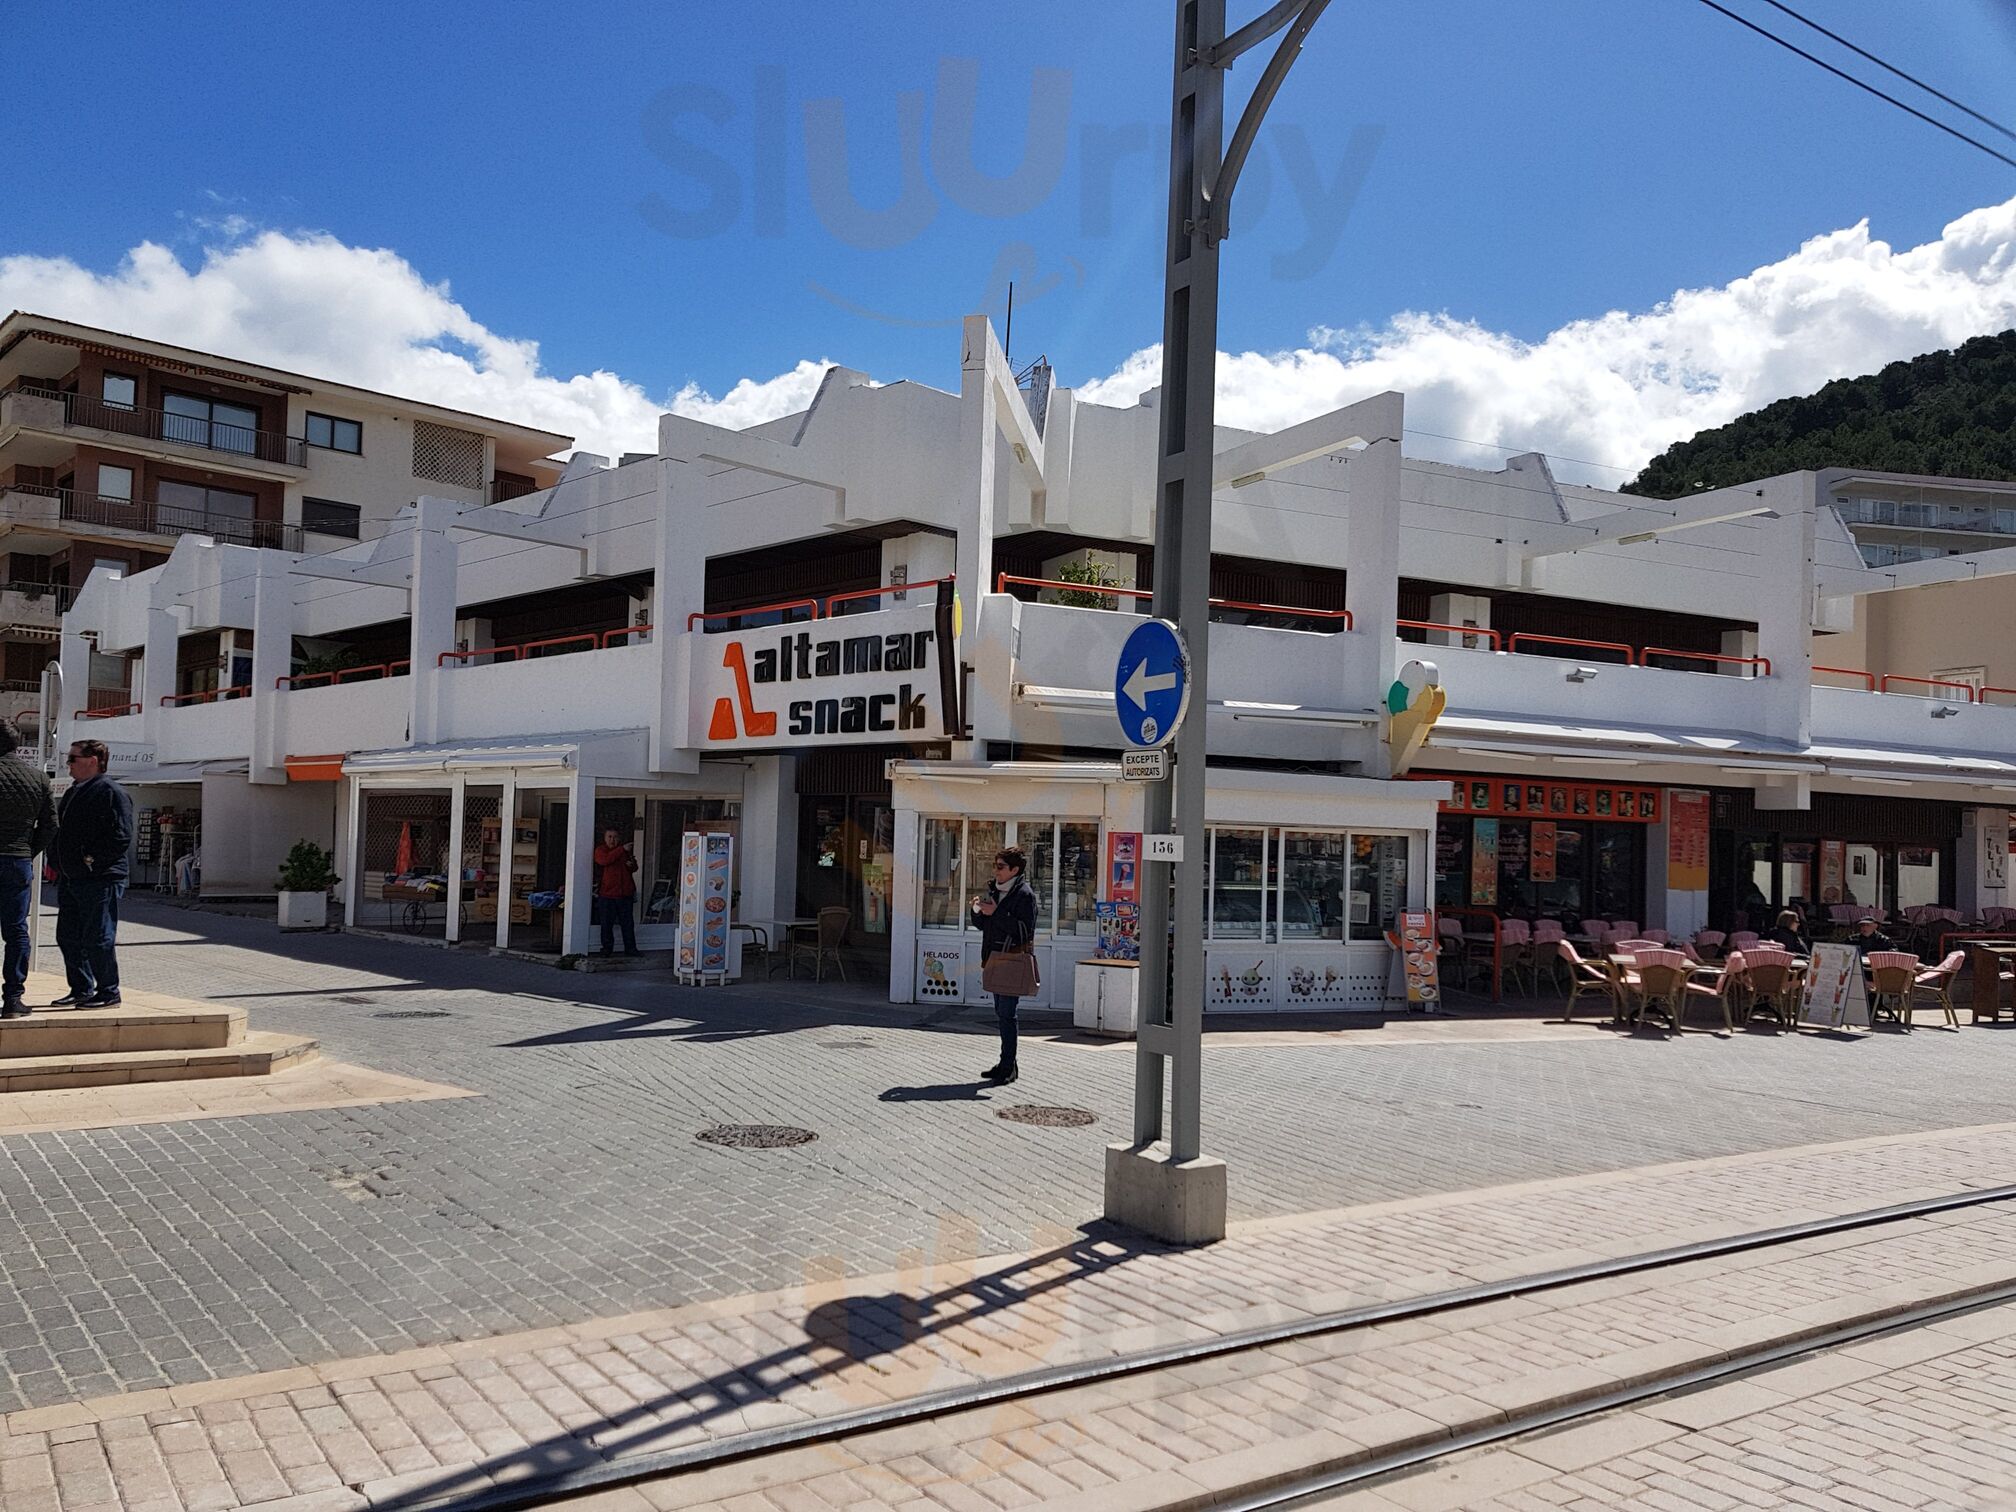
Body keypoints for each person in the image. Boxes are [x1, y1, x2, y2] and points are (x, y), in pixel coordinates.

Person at [53, 738, 132, 1008]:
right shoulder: (74, 791)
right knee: (68, 936)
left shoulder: (111, 792)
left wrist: (91, 861)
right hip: (71, 877)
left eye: (73, 759)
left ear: (92, 761)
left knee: (98, 937)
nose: (69, 764)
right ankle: (81, 989)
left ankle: (108, 992)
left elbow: (121, 836)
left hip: (99, 878)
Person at [0, 720, 54, 1018]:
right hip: (18, 861)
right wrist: (27, 851)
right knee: (16, 930)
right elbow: (51, 825)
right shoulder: (38, 778)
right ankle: (13, 999)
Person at [971, 846, 1037, 1085]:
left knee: (1007, 1014)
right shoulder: (994, 890)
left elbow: (1024, 931)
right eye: (995, 866)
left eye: (1001, 866)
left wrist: (996, 912)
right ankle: (1006, 1063)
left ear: (1015, 870)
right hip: (994, 958)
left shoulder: (1025, 895)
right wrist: (976, 911)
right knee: (1001, 1013)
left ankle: (1008, 1066)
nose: (996, 871)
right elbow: (984, 925)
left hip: (1011, 961)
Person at [593, 827, 640, 957]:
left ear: (619, 838)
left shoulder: (624, 852)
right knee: (606, 924)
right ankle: (607, 949)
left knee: (627, 924)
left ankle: (630, 949)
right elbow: (604, 860)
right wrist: (621, 850)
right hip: (607, 894)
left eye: (615, 837)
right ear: (605, 838)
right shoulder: (601, 850)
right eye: (610, 837)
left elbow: (634, 868)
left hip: (624, 894)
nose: (612, 840)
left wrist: (632, 864)